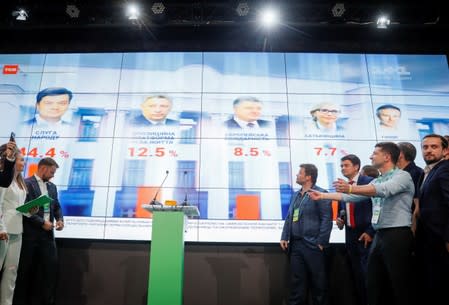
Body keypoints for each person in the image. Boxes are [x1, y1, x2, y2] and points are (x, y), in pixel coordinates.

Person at [309, 142, 414, 305]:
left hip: (397, 234)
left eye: (375, 153)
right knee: (373, 282)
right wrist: (322, 196)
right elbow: (354, 198)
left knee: (399, 283)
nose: (371, 156)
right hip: (380, 235)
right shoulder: (379, 179)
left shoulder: (402, 176)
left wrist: (350, 189)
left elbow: (383, 190)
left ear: (387, 157)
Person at [13, 157, 64, 305]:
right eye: (52, 172)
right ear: (43, 168)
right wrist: (42, 223)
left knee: (50, 272)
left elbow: (57, 206)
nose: (53, 175)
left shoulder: (52, 187)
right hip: (30, 236)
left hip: (48, 237)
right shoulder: (26, 184)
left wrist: (60, 219)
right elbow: (24, 209)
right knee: (24, 273)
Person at [280, 164, 333, 305]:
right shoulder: (296, 195)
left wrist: (322, 242)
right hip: (296, 245)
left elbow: (326, 219)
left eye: (300, 173)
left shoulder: (321, 193)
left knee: (319, 284)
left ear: (308, 176)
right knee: (297, 283)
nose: (297, 175)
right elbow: (289, 217)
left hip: (313, 245)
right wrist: (284, 236)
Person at [414, 134, 449, 305]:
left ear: (445, 150)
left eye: (434, 147)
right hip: (428, 240)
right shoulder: (426, 172)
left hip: (441, 239)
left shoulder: (445, 168)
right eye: (425, 147)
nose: (428, 150)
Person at [0, 147, 37, 305]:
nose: (24, 162)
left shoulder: (21, 183)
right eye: (21, 159)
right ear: (12, 161)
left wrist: (30, 211)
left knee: (11, 272)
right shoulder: (3, 179)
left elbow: (19, 209)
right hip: (4, 231)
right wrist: (1, 228)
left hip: (17, 231)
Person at [336, 154, 374, 305]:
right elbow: (343, 208)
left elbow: (378, 209)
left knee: (368, 275)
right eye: (341, 166)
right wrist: (341, 219)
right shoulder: (344, 186)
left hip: (366, 234)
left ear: (356, 166)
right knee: (355, 275)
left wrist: (371, 231)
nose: (343, 168)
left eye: (346, 165)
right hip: (350, 234)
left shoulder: (369, 182)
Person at [396, 142, 423, 233]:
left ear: (400, 155)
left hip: (409, 224)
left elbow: (417, 204)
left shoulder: (415, 173)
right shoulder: (399, 173)